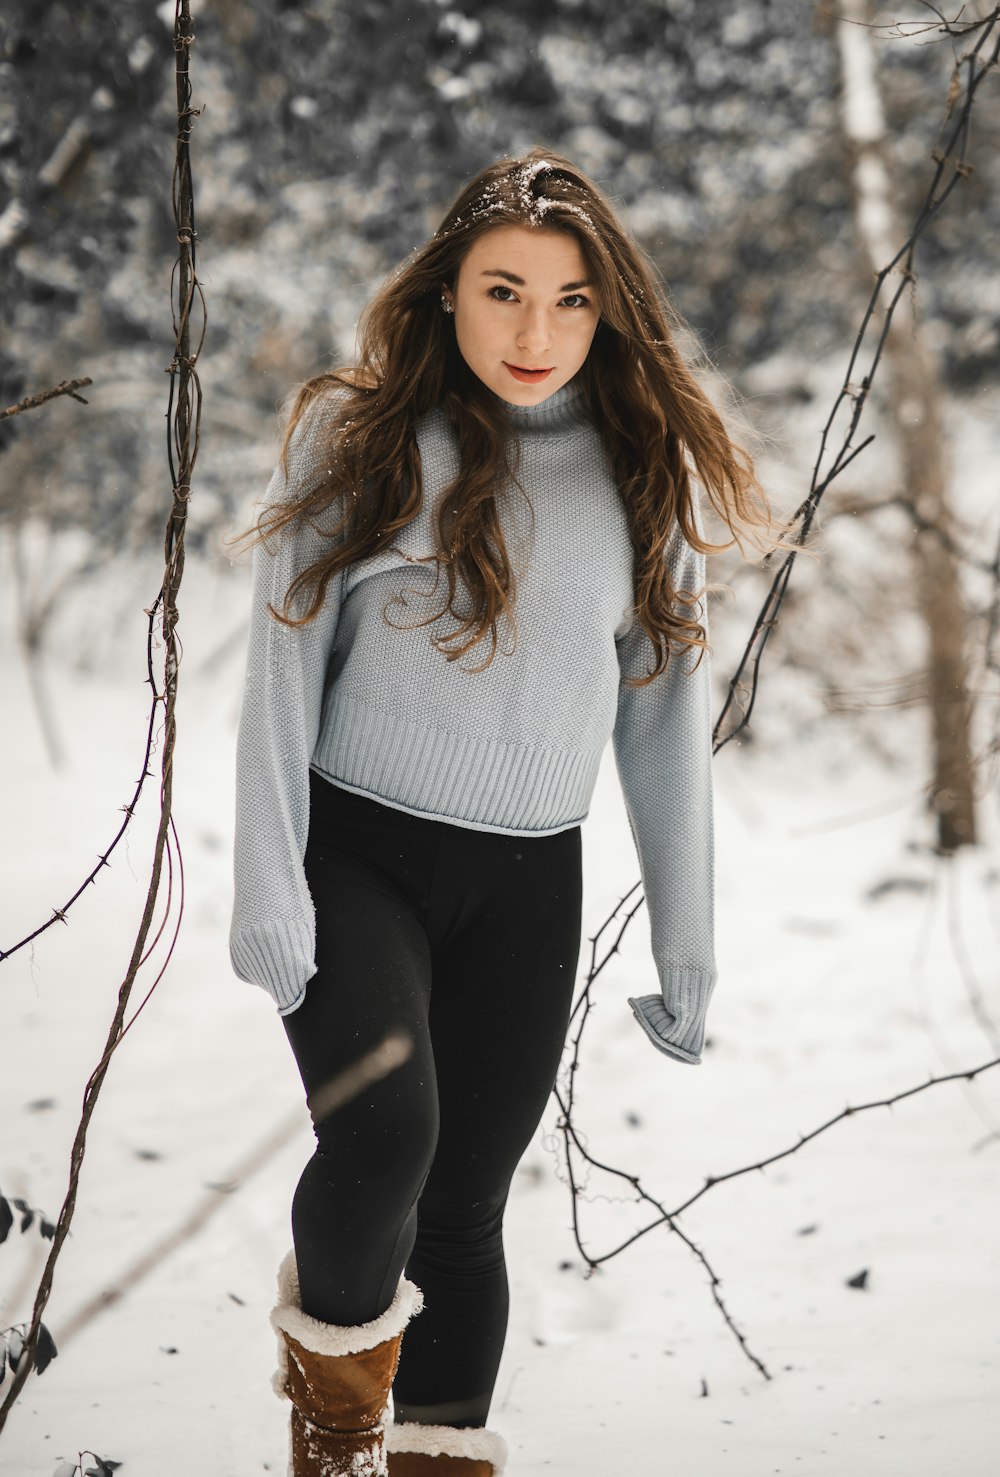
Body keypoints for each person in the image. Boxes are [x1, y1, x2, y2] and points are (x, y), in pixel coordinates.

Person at [229, 148, 770, 1477]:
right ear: (446, 293)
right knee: (385, 1136)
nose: (537, 334)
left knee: (464, 1205)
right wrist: (267, 888)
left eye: (574, 299)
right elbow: (279, 671)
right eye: (505, 290)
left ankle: (437, 1459)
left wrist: (687, 944)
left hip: (527, 880)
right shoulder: (356, 437)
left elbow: (659, 721)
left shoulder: (645, 473)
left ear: (611, 308)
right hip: (353, 851)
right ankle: (336, 1435)